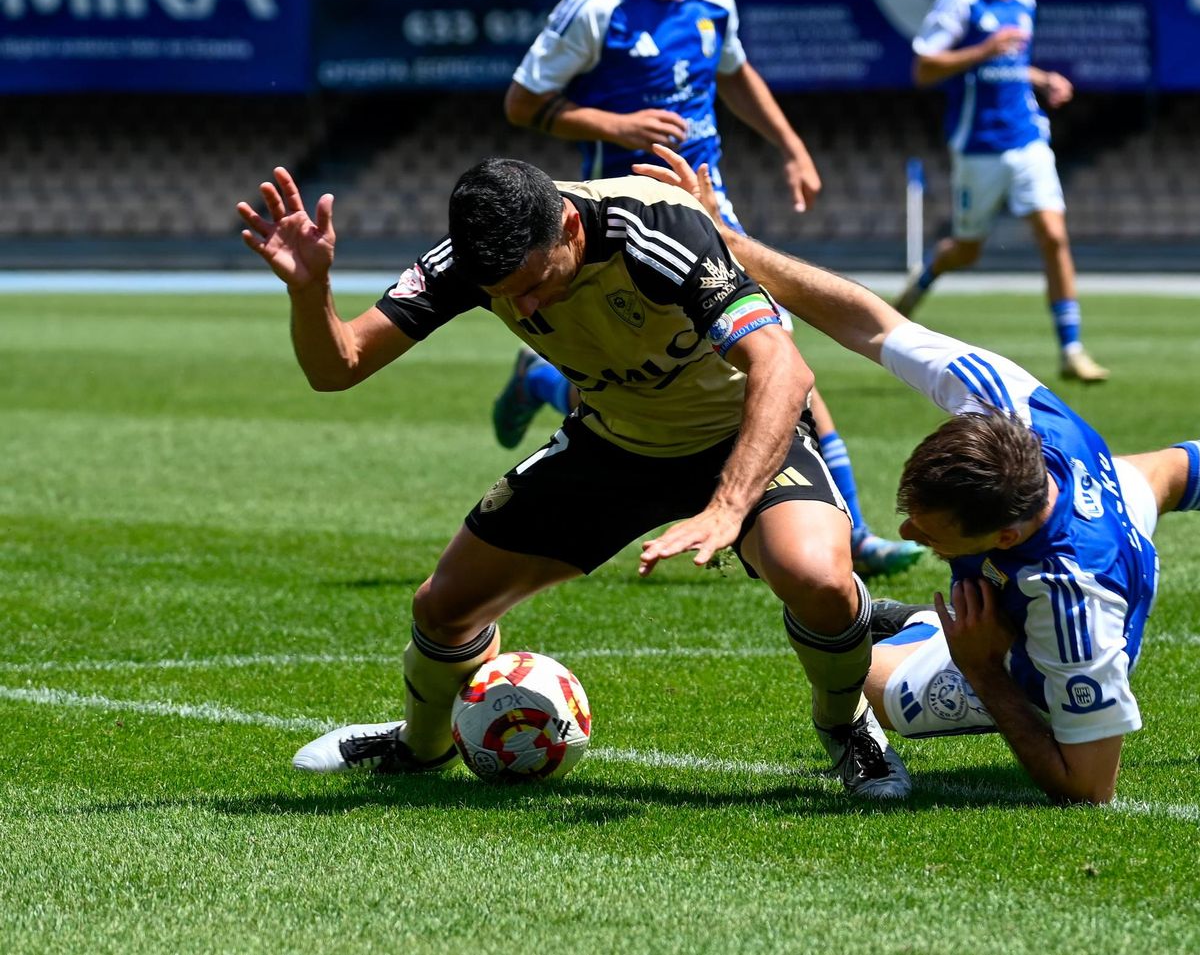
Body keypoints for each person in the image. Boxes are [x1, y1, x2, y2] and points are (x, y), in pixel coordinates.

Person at [635, 146, 1200, 804]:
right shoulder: (1010, 405)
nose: (905, 530)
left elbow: (1089, 788)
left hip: (1053, 628)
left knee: (868, 679)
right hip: (1091, 495)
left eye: (928, 529)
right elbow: (871, 323)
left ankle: (925, 638)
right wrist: (732, 244)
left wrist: (985, 668)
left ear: (1004, 535)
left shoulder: (1072, 608)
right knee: (1168, 469)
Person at [235, 160, 911, 800]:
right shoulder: (477, 257)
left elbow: (783, 368)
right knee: (442, 608)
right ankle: (420, 745)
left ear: (569, 226)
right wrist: (309, 291)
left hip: (741, 435)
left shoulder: (657, 229)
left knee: (817, 577)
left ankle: (845, 721)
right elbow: (339, 365)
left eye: (534, 284)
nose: (525, 310)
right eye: (507, 298)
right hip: (613, 444)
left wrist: (730, 504)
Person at [493, 0, 923, 577]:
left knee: (777, 354)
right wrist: (616, 126)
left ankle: (855, 531)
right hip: (618, 235)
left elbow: (735, 70)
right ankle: (542, 381)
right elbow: (522, 101)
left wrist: (790, 146)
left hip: (707, 219)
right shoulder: (594, 7)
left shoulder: (714, 1)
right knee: (627, 387)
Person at [895, 0, 1109, 384]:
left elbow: (1012, 66)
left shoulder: (1024, 2)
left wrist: (1043, 78)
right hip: (978, 146)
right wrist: (981, 51)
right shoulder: (962, 1)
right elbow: (924, 68)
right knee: (968, 251)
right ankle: (929, 273)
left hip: (1027, 137)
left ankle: (1071, 349)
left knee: (1054, 235)